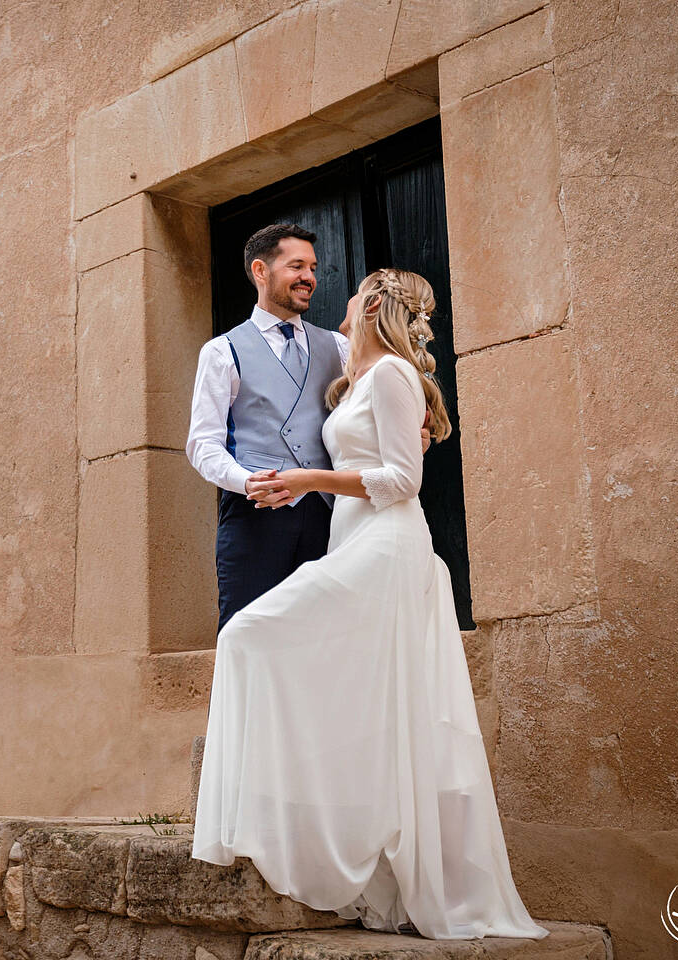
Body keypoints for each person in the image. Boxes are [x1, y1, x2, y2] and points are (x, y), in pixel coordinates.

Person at [189, 267, 551, 941]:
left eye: (351, 293)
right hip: (355, 544)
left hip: (386, 548)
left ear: (374, 305)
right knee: (367, 704)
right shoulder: (359, 378)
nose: (337, 299)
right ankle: (362, 848)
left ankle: (279, 821)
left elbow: (402, 481)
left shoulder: (389, 376)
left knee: (249, 635)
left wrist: (308, 478)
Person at [186, 223, 429, 632]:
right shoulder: (221, 351)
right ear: (261, 271)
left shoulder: (337, 345)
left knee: (323, 643)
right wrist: (247, 482)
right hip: (256, 515)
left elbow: (376, 408)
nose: (310, 278)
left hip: (331, 515)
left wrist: (412, 438)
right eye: (297, 266)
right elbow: (203, 444)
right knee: (248, 637)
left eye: (313, 267)